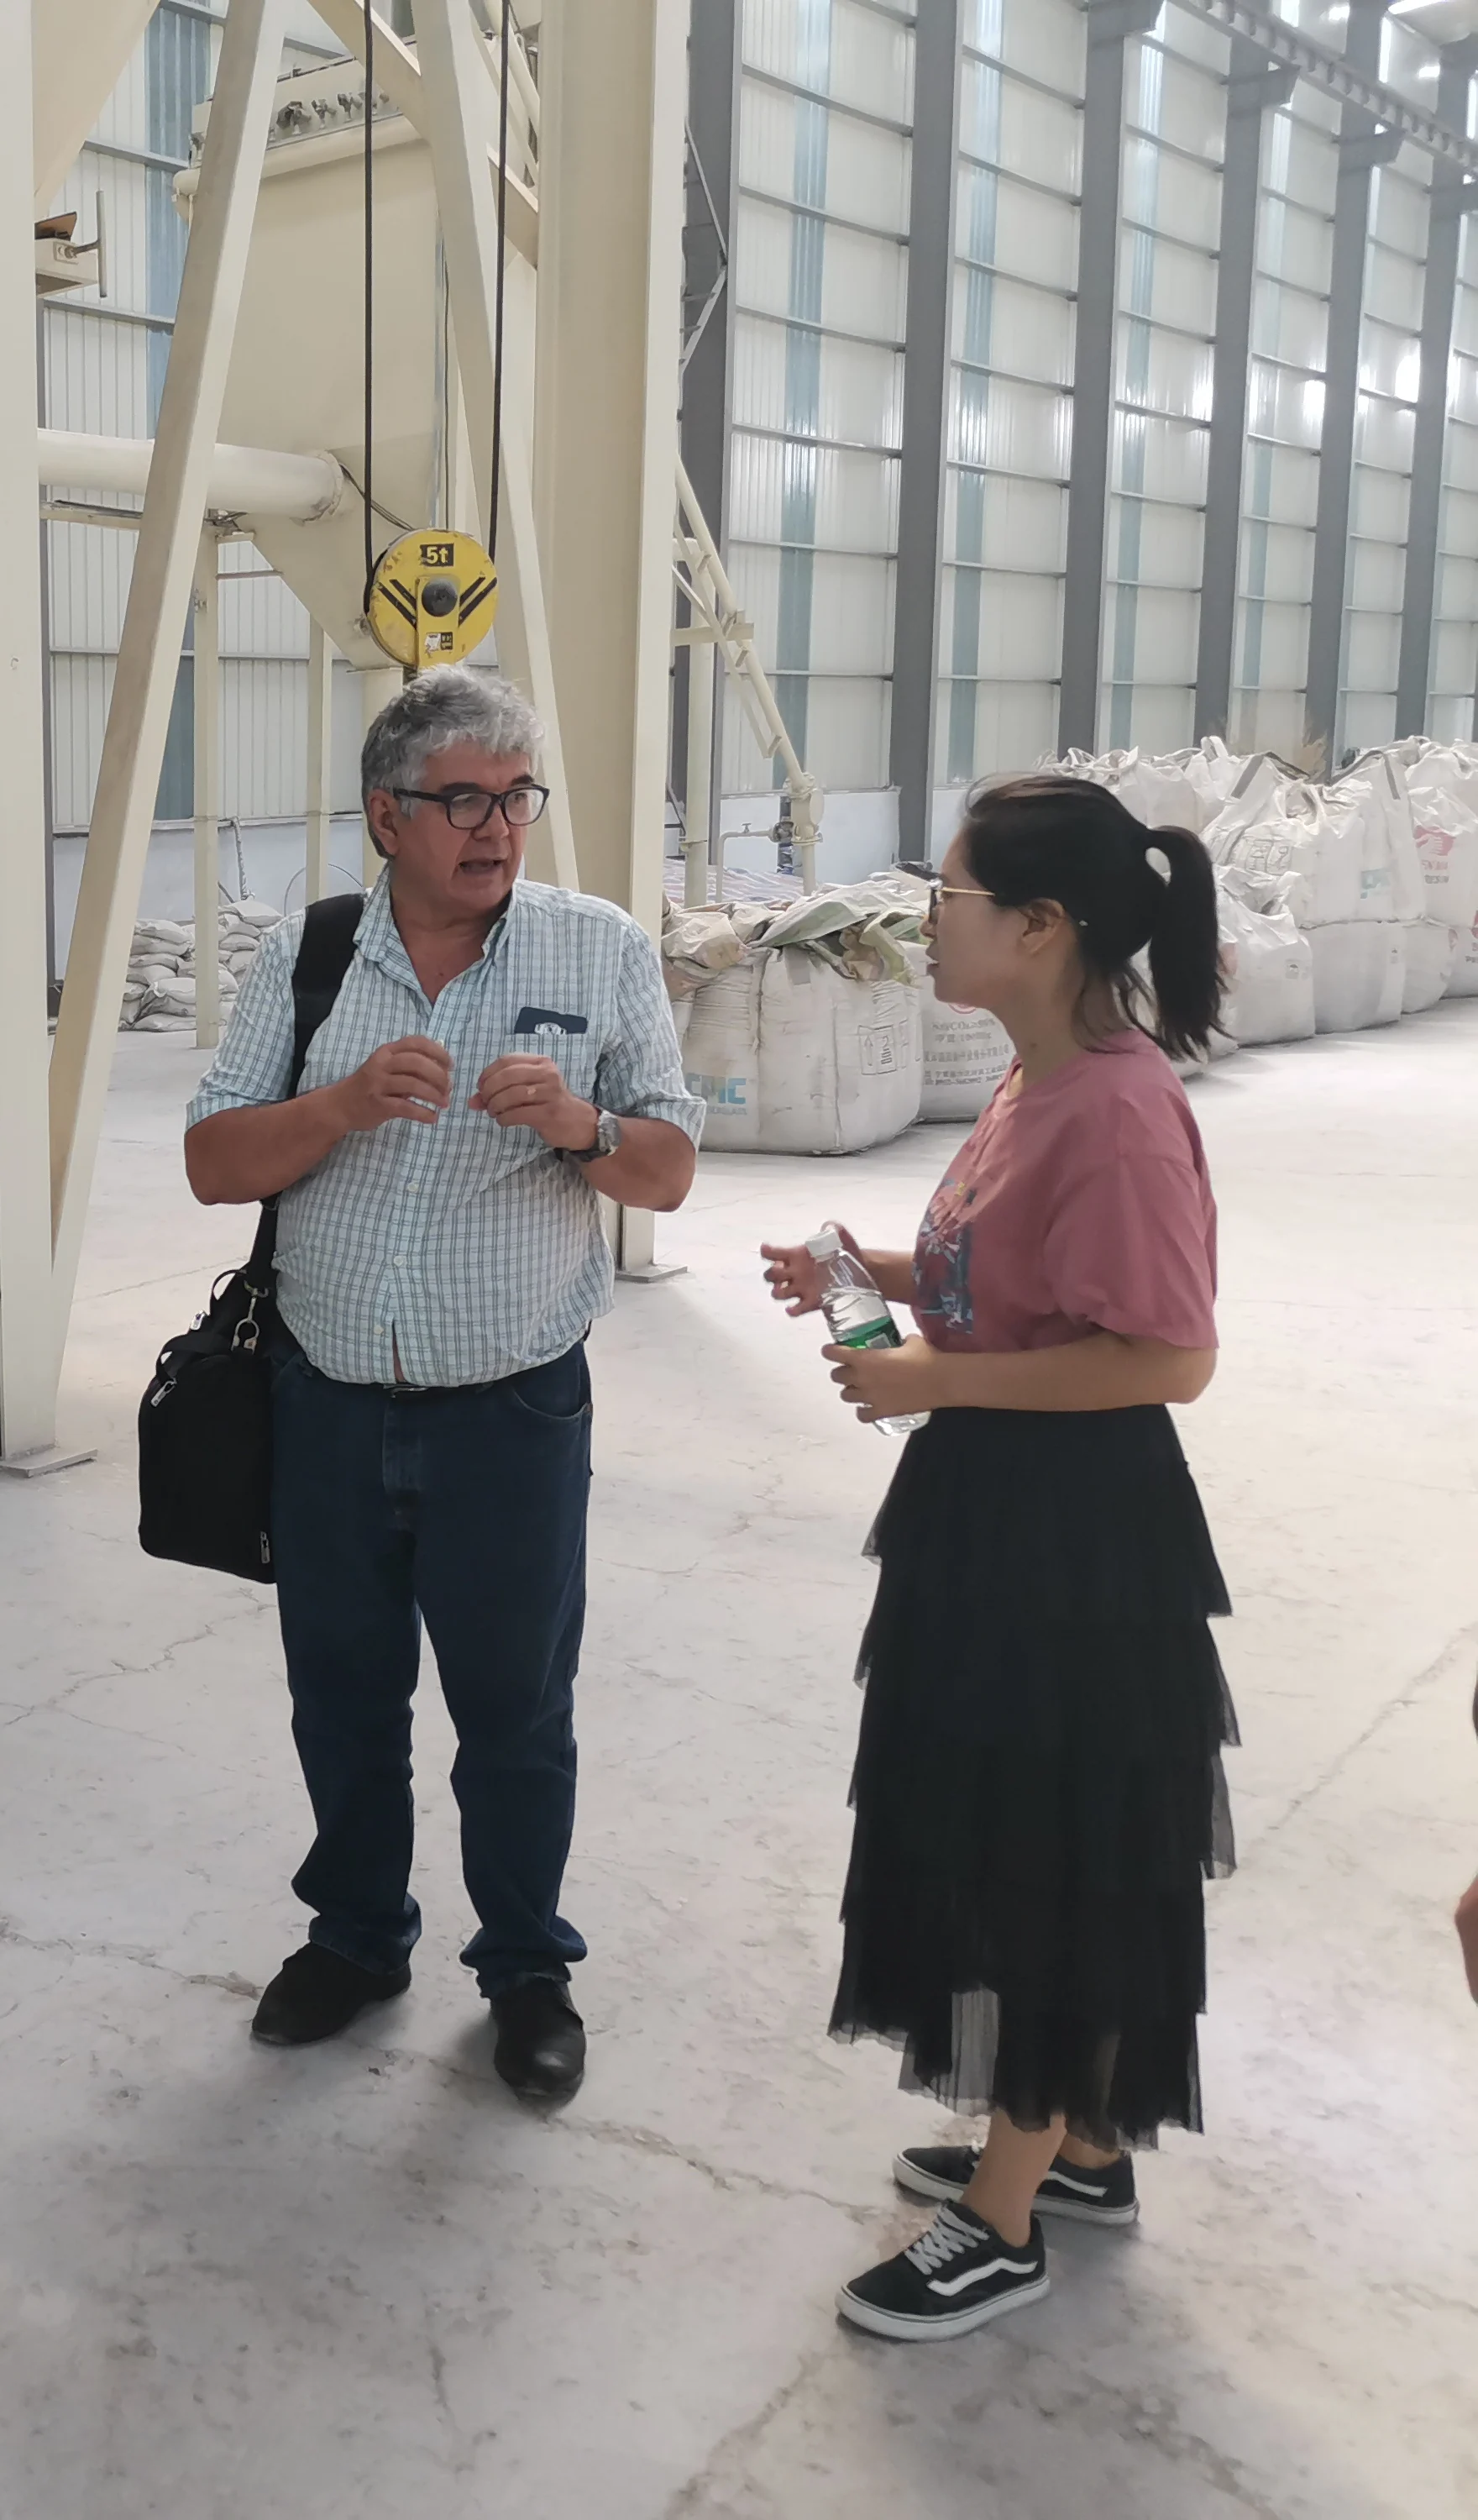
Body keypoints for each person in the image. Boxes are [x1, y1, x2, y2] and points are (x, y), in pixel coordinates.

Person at [181, 665, 700, 2103]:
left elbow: (670, 1169)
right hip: (327, 1408)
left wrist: (586, 1127)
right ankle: (356, 1940)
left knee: (515, 1714)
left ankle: (528, 1969)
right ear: (386, 816)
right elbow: (214, 1161)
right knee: (342, 1699)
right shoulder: (313, 957)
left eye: (516, 797)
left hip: (510, 1418)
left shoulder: (598, 950)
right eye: (462, 800)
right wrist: (342, 1104)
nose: (496, 827)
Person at [761, 772, 1232, 2342]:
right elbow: (1014, 1277)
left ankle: (1005, 2219)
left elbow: (1166, 1356)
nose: (926, 918)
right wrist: (875, 1276)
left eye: (948, 895)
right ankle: (1078, 2144)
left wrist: (939, 1382)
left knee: (1049, 1851)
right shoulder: (1042, 1080)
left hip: (1073, 1542)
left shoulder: (1118, 1112)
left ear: (1040, 926)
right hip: (995, 1510)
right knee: (1006, 1823)